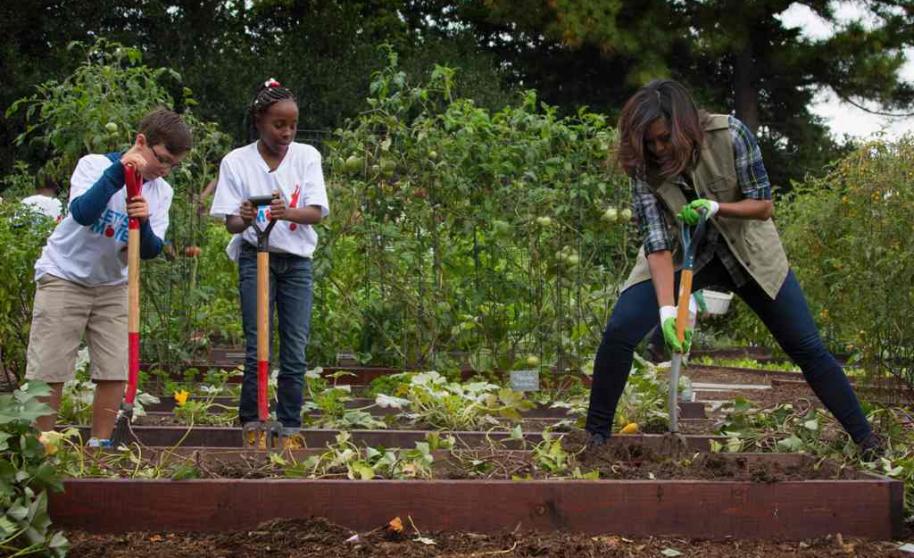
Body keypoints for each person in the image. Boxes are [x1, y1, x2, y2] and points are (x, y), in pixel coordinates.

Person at [585, 79, 882, 458]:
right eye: (649, 143)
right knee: (620, 330)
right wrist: (665, 310)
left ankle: (867, 440)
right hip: (684, 252)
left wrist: (716, 208)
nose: (658, 149)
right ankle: (594, 439)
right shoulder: (644, 167)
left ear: (683, 126)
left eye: (663, 139)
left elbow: (763, 204)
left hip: (747, 253)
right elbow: (657, 243)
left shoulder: (730, 134)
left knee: (805, 346)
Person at [27, 108, 192, 446]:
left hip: (113, 285)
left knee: (115, 368)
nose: (164, 170)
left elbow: (149, 250)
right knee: (50, 368)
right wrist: (119, 173)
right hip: (64, 276)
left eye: (173, 165)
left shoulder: (161, 192)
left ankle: (99, 447)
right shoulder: (95, 166)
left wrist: (143, 221)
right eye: (161, 159)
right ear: (141, 142)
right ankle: (41, 447)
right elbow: (83, 213)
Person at [209, 78, 329, 446]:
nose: (287, 132)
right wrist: (245, 215)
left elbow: (316, 212)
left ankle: (290, 423)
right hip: (253, 257)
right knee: (257, 342)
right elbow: (231, 220)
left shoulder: (307, 156)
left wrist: (285, 210)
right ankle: (253, 421)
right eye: (279, 124)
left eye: (292, 125)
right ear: (259, 120)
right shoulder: (236, 161)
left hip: (295, 263)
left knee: (295, 345)